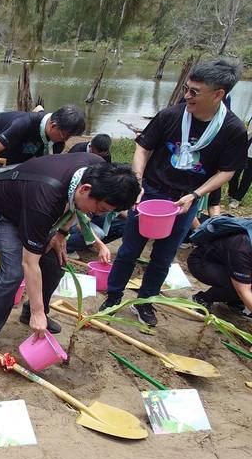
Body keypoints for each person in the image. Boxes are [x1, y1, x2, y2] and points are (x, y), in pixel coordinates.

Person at [100, 59, 248, 326]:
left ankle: (145, 302)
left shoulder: (232, 130)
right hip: (152, 192)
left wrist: (195, 194)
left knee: (164, 256)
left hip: (184, 201)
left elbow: (226, 171)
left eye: (194, 92)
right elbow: (143, 148)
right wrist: (137, 182)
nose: (187, 96)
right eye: (187, 89)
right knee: (129, 250)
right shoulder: (171, 115)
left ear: (218, 95)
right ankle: (113, 296)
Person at [0, 155, 140, 350]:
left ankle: (27, 314)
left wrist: (61, 233)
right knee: (13, 273)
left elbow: (75, 205)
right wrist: (38, 312)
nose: (98, 215)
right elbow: (30, 263)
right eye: (101, 209)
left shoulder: (97, 167)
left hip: (32, 205)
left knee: (55, 263)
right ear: (85, 189)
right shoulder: (45, 199)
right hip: (5, 211)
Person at [0, 105, 85, 168]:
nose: (64, 141)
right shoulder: (23, 124)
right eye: (64, 136)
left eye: (69, 137)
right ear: (53, 126)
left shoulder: (55, 141)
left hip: (19, 140)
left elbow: (39, 108)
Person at [188, 225, 252, 319]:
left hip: (229, 263)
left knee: (243, 284)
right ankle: (202, 299)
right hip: (203, 262)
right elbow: (243, 290)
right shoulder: (243, 247)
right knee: (236, 287)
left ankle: (234, 301)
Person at [228, 136, 252, 209]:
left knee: (247, 178)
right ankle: (232, 194)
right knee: (234, 173)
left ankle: (237, 198)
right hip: (244, 149)